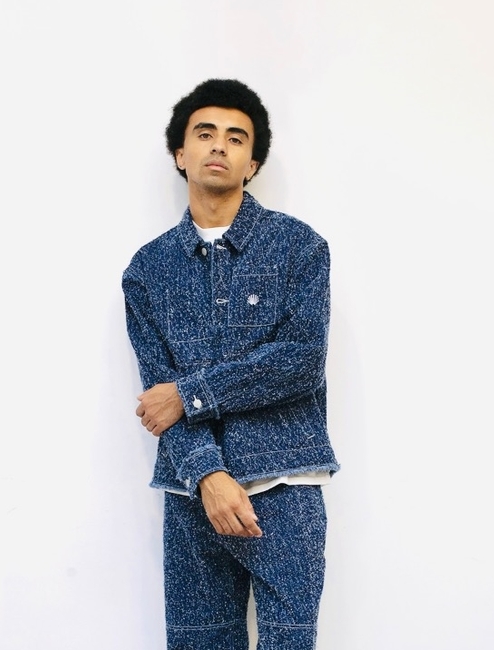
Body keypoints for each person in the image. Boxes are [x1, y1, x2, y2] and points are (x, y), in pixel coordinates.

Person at [121, 78, 339, 650]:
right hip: (190, 492)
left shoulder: (299, 248)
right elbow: (158, 399)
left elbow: (301, 361)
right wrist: (209, 476)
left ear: (253, 163)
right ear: (180, 153)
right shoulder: (147, 270)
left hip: (286, 483)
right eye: (205, 133)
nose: (219, 145)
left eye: (236, 138)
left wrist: (188, 394)